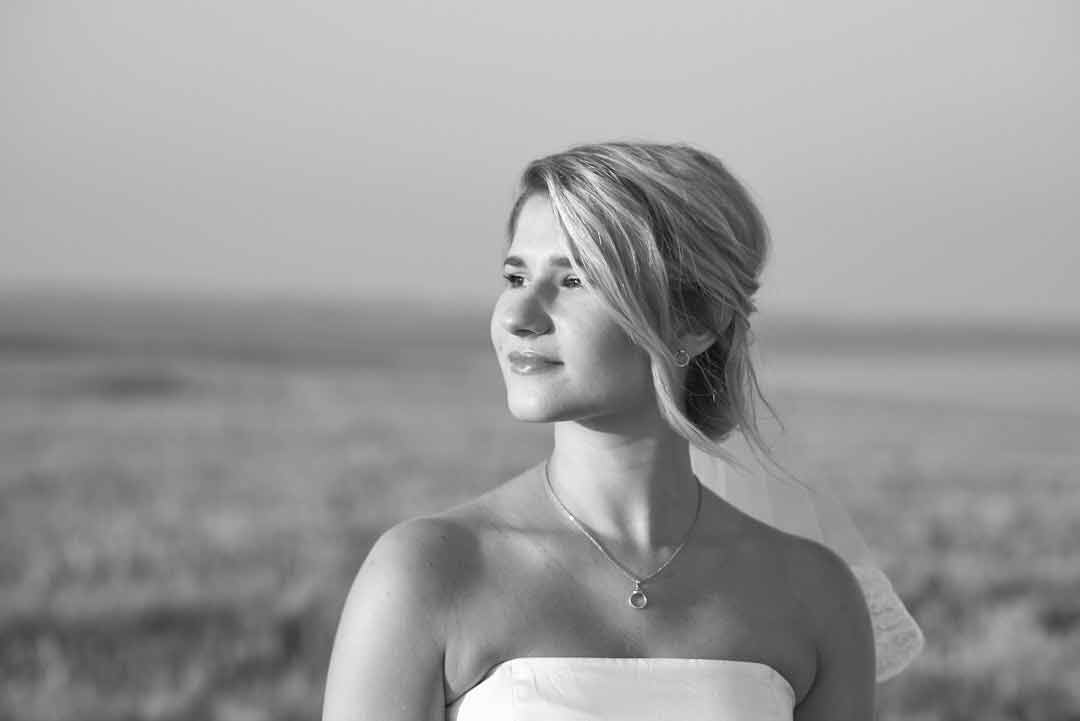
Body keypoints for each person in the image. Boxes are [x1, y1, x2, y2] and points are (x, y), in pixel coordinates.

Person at [322, 141, 924, 720]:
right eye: (513, 278)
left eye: (574, 280)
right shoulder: (429, 572)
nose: (518, 317)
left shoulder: (815, 596)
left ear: (696, 322)